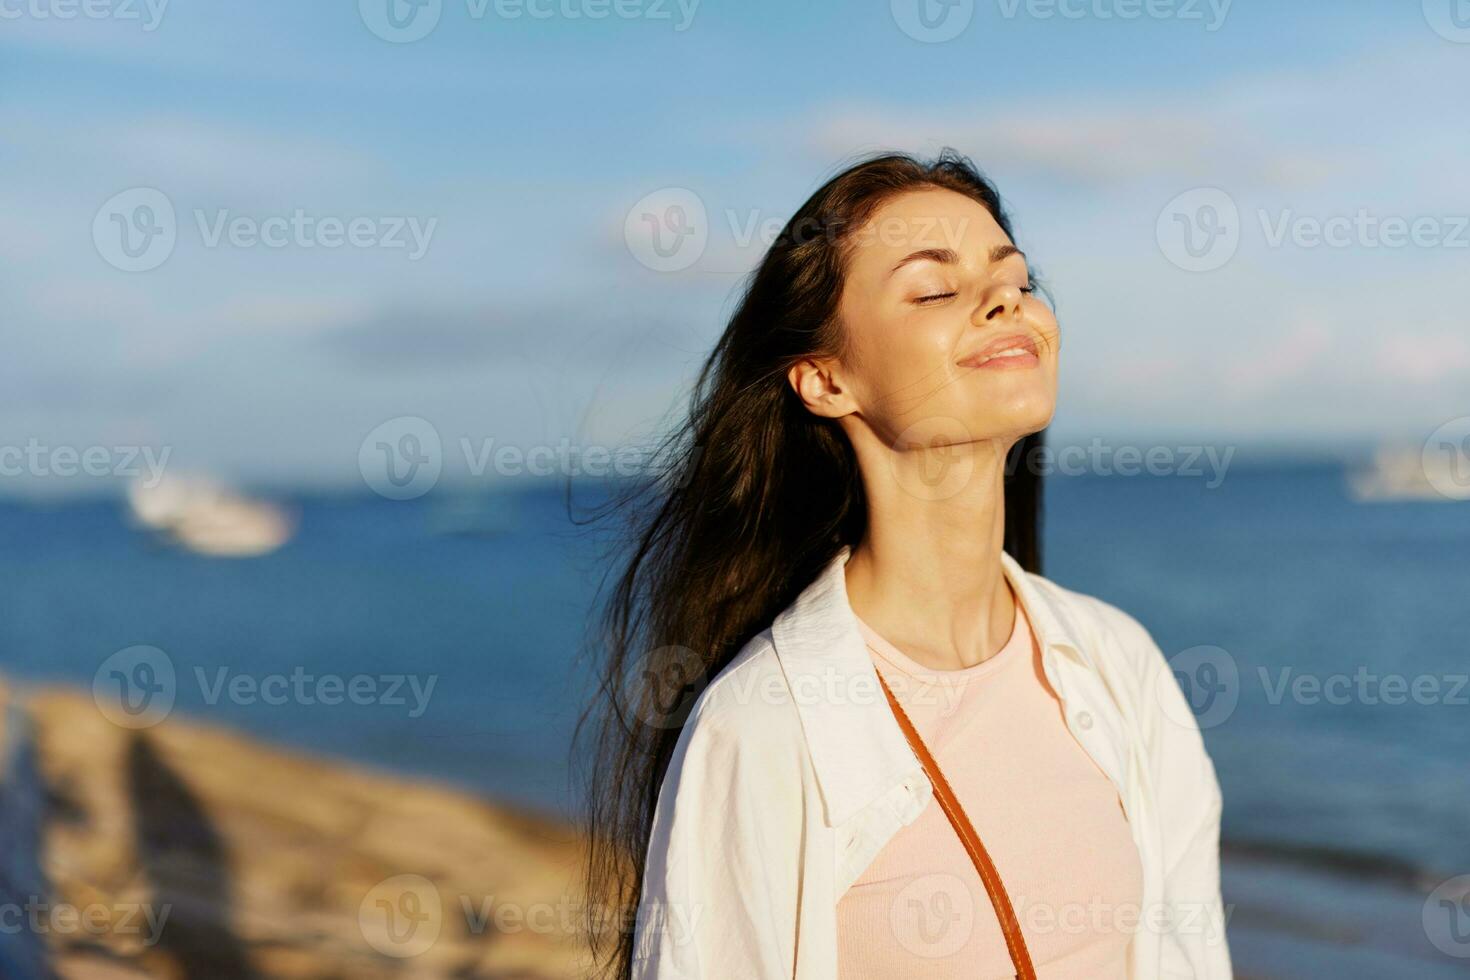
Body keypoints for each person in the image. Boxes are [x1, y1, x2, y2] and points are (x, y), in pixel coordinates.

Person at [580, 150, 1231, 979]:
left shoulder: (1121, 667)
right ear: (824, 379)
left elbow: (1195, 956)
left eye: (1018, 279)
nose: (1007, 301)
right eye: (934, 290)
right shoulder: (761, 726)